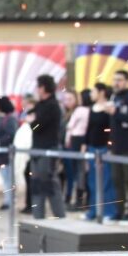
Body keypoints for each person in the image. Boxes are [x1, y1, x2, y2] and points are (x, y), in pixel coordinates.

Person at [26, 75, 66, 219]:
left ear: (43, 87)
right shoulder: (41, 105)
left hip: (48, 150)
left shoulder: (52, 106)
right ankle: (38, 217)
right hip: (37, 149)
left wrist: (32, 122)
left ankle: (61, 218)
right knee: (36, 185)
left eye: (38, 86)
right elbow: (31, 117)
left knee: (50, 184)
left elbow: (36, 125)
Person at [83, 83, 118, 221]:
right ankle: (93, 210)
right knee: (92, 181)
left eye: (93, 91)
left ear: (101, 92)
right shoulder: (92, 108)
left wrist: (110, 147)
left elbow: (112, 129)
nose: (91, 94)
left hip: (104, 148)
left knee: (106, 181)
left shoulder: (109, 107)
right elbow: (89, 128)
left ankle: (109, 211)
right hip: (92, 148)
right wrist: (85, 145)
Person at [106, 70, 128, 221]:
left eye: (120, 80)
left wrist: (115, 112)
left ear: (127, 81)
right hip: (115, 147)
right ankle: (120, 210)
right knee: (117, 180)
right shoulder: (114, 97)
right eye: (115, 79)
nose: (116, 83)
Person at [66, 90, 92, 209]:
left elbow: (70, 126)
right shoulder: (91, 110)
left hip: (76, 141)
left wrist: (67, 140)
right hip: (85, 141)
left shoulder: (80, 110)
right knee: (84, 172)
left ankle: (78, 200)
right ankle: (86, 200)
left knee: (79, 172)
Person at [0, 96, 18, 211]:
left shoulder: (9, 119)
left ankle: (9, 201)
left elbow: (11, 135)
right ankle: (8, 200)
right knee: (6, 179)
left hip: (6, 155)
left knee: (8, 179)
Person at [60, 90, 79, 207]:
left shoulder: (76, 113)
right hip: (64, 148)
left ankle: (71, 197)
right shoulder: (64, 114)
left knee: (73, 174)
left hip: (73, 148)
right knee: (66, 174)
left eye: (70, 99)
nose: (67, 102)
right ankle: (67, 196)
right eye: (65, 99)